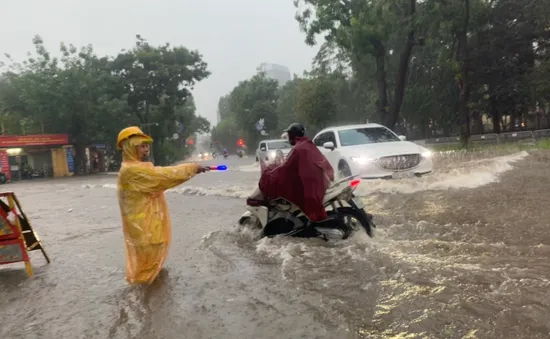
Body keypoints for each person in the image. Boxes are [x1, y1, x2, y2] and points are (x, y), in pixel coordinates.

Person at [116, 126, 209, 284]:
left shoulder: (130, 169)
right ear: (130, 147)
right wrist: (192, 168)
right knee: (147, 274)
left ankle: (145, 298)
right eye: (142, 146)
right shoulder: (132, 171)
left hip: (145, 228)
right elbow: (164, 176)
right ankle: (146, 301)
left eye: (147, 145)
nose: (146, 149)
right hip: (146, 230)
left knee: (149, 270)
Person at [258, 123, 335, 222]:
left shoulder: (298, 149)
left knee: (287, 194)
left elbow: (285, 168)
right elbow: (323, 161)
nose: (288, 137)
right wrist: (331, 174)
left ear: (293, 135)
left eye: (289, 134)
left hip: (308, 189)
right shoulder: (308, 144)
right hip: (319, 185)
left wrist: (269, 176)